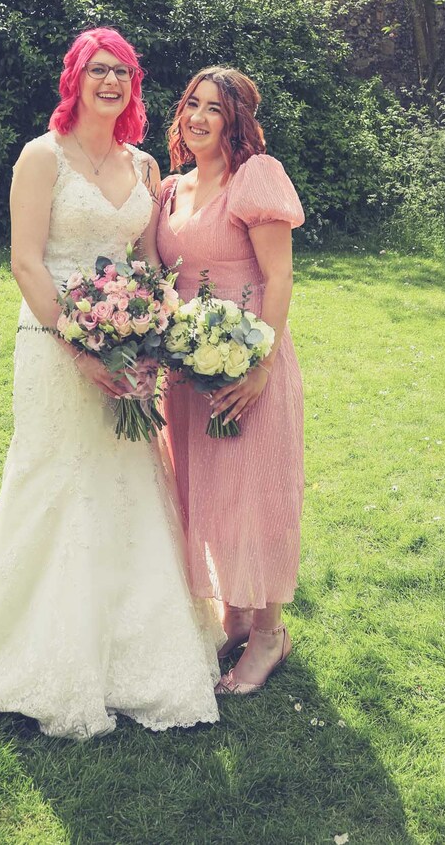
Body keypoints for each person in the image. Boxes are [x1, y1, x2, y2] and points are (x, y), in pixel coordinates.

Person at [0, 28, 222, 739]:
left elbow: (147, 261)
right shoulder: (42, 158)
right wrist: (81, 349)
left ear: (134, 85)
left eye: (123, 71)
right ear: (75, 78)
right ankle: (33, 636)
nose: (112, 80)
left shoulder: (144, 165)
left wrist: (149, 329)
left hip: (127, 344)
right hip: (52, 338)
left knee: (128, 479)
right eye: (98, 68)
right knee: (55, 475)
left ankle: (138, 645)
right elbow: (27, 261)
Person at [157, 67, 305, 696]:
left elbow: (278, 278)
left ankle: (270, 632)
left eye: (214, 109)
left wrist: (261, 366)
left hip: (250, 363)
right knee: (206, 489)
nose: (198, 117)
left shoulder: (256, 179)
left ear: (237, 120)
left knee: (256, 493)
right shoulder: (171, 188)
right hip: (189, 368)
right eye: (192, 104)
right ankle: (237, 615)